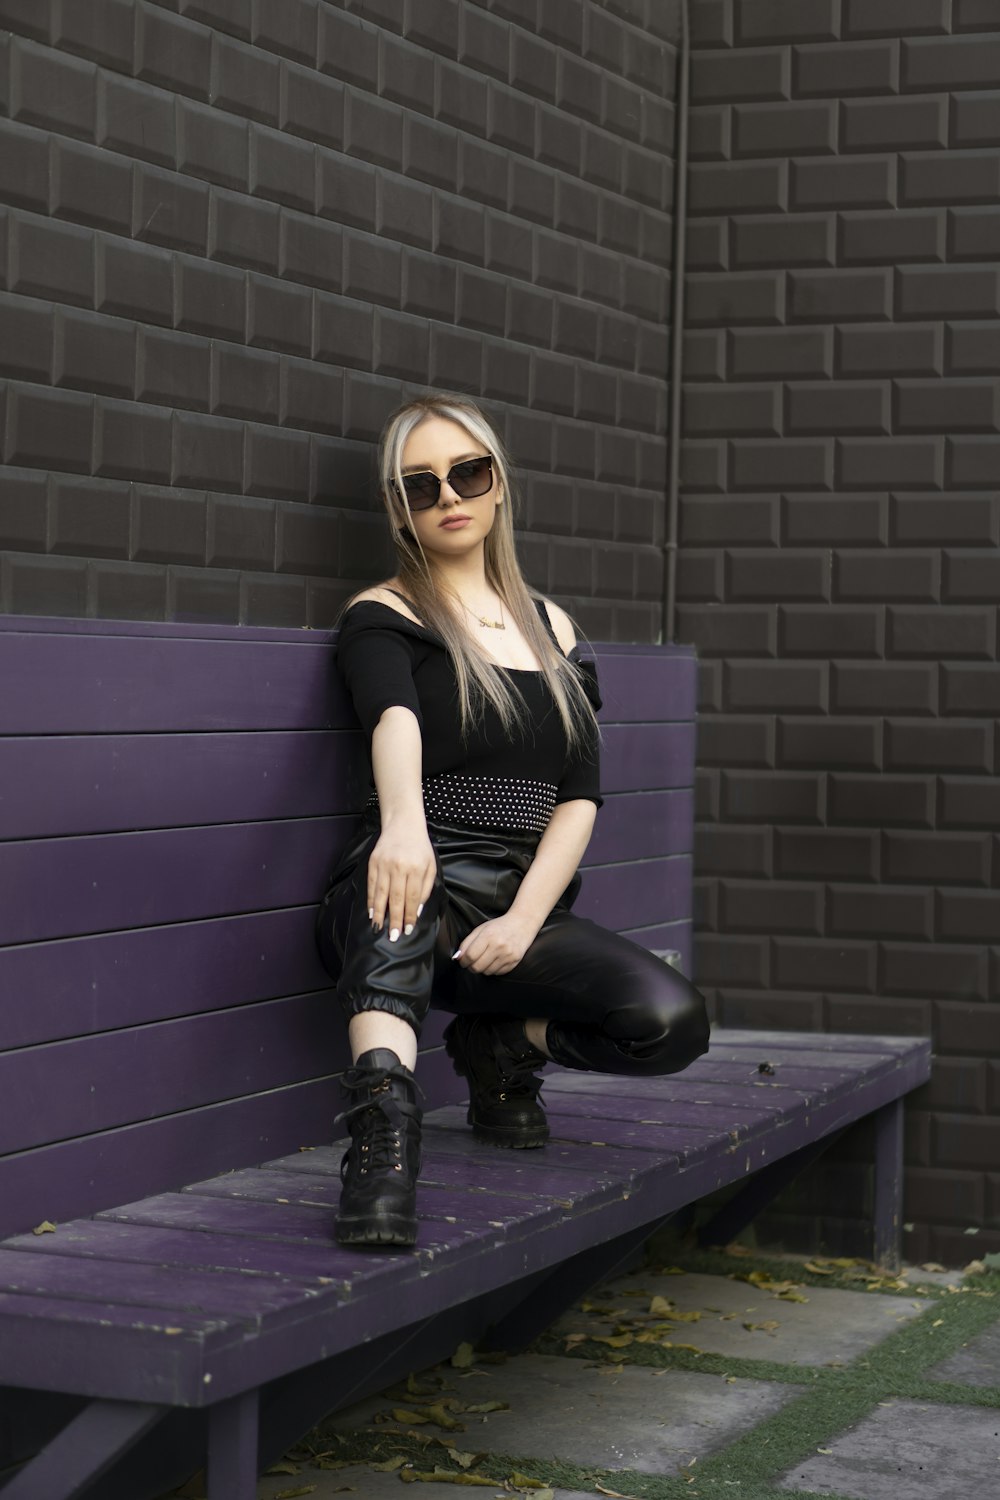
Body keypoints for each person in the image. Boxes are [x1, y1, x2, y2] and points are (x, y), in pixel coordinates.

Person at [315, 393, 710, 1249]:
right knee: (396, 902)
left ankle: (500, 1042)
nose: (449, 496)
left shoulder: (556, 628)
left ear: (498, 485)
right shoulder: (385, 614)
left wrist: (528, 918)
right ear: (399, 507)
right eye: (420, 485)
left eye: (469, 473)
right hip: (411, 868)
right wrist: (404, 828)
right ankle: (383, 1142)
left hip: (519, 901)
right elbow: (394, 720)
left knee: (671, 1024)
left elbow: (579, 792)